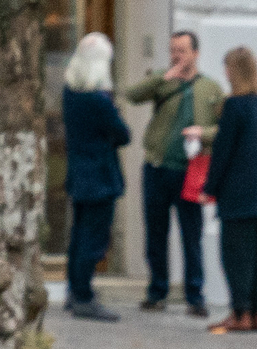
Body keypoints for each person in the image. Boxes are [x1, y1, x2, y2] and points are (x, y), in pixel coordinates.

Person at [124, 29, 222, 317]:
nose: (177, 56)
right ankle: (157, 291)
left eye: (182, 50)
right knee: (156, 233)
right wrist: (160, 78)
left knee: (191, 234)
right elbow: (132, 95)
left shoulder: (211, 88)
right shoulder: (162, 80)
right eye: (173, 50)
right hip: (157, 166)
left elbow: (226, 129)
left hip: (191, 172)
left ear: (196, 53)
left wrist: (202, 133)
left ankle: (195, 295)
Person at [203, 47, 257, 335]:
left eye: (227, 68)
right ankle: (256, 311)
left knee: (234, 255)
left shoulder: (234, 107)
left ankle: (240, 313)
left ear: (235, 71)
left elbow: (222, 151)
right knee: (255, 256)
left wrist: (210, 187)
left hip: (236, 193)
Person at [60, 33, 131, 323]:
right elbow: (123, 134)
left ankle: (74, 291)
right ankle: (85, 296)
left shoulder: (70, 94)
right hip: (100, 176)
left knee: (78, 235)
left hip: (79, 174)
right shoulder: (99, 101)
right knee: (94, 238)